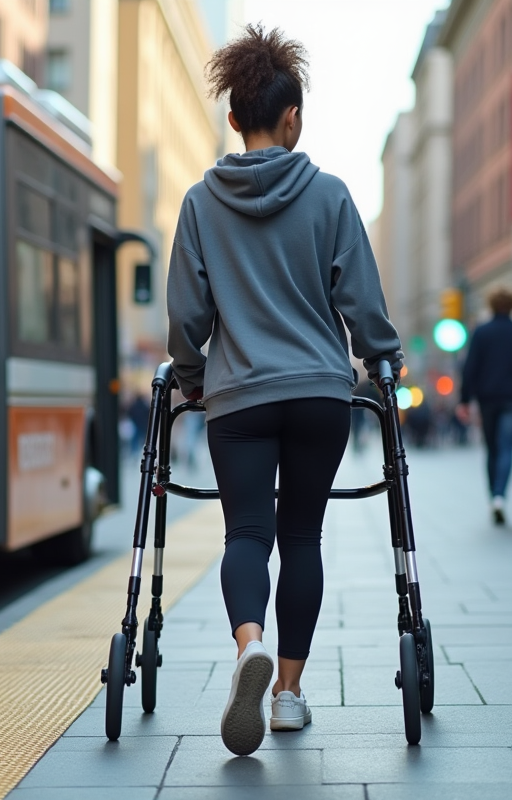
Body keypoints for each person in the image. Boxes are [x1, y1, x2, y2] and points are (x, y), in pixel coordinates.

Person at [167, 24, 402, 757]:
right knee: (302, 535)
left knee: (246, 535)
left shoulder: (201, 204)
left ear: (233, 117)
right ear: (292, 117)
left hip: (238, 398)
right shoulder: (331, 196)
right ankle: (290, 693)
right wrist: (381, 360)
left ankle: (248, 645)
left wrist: (192, 377)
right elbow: (362, 304)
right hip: (320, 396)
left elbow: (187, 315)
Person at [456, 287, 512, 524]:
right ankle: (501, 496)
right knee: (507, 447)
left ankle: (494, 495)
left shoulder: (481, 333)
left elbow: (469, 368)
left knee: (491, 447)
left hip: (488, 398)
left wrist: (464, 399)